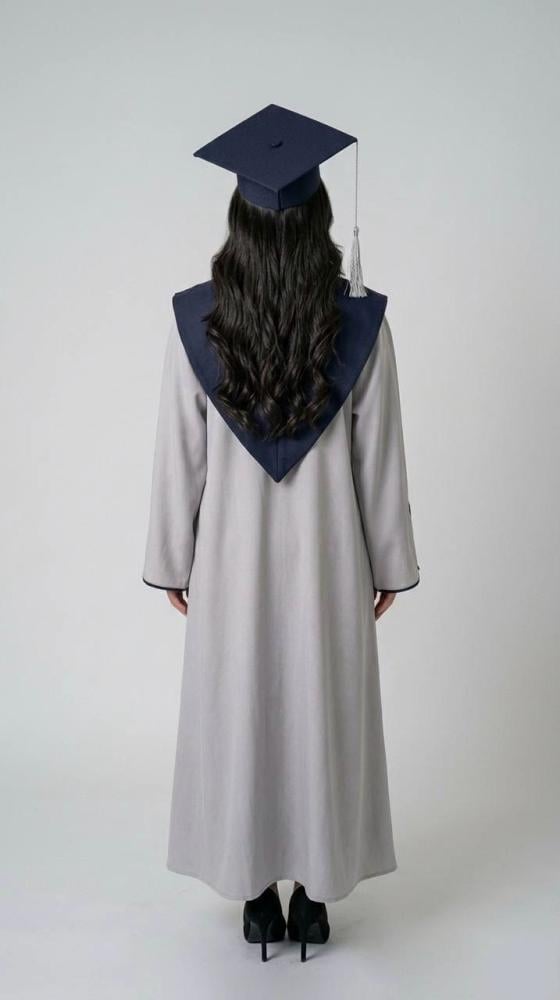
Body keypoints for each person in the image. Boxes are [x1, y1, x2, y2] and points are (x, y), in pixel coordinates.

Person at [142, 103, 420, 962]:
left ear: (239, 218)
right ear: (320, 219)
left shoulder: (196, 321)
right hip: (330, 562)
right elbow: (380, 458)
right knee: (320, 712)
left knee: (245, 713)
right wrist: (388, 563)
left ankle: (257, 896)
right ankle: (316, 897)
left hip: (231, 564)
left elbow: (178, 456)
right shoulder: (360, 324)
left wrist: (173, 559)